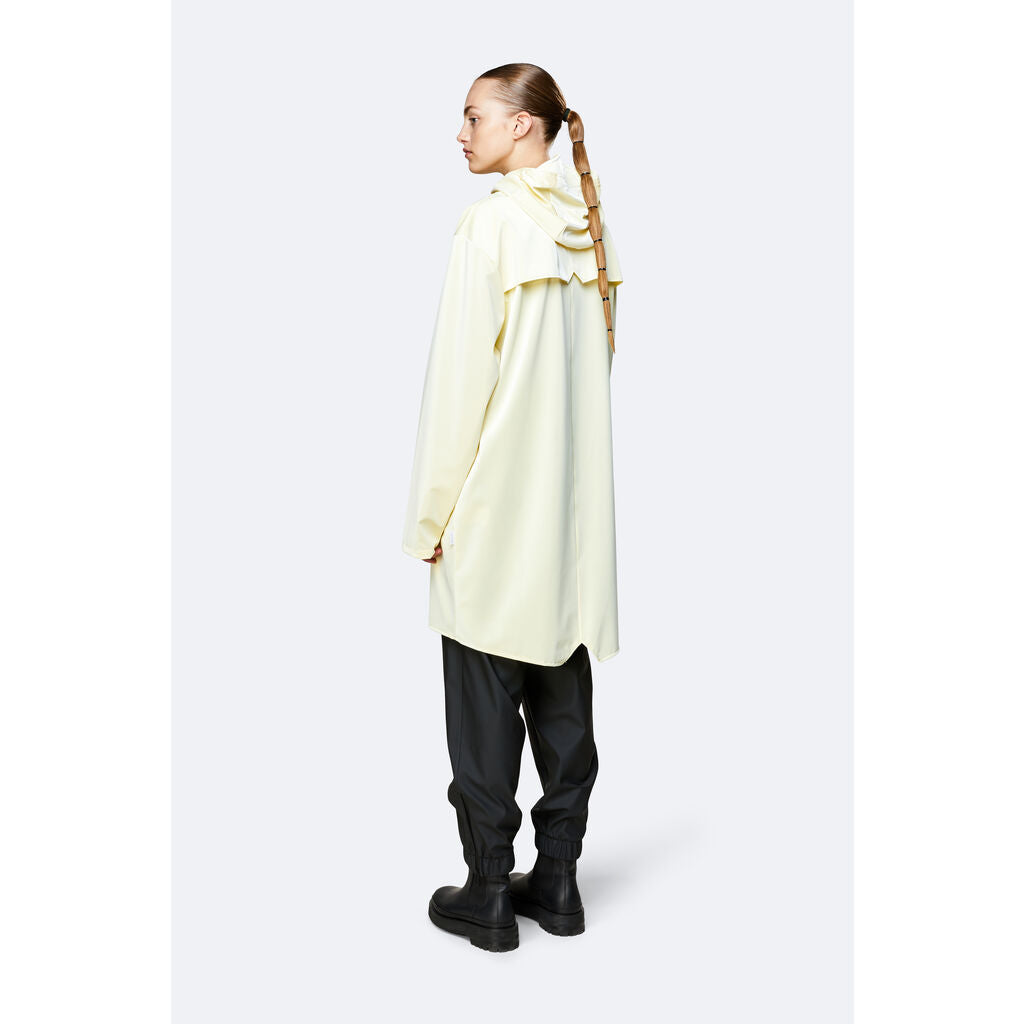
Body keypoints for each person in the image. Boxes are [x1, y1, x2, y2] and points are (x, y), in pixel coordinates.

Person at [401, 63, 624, 952]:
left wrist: (430, 519)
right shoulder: (588, 228)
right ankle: (559, 881)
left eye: (474, 117)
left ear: (524, 125)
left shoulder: (490, 226)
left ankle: (490, 891)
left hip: (495, 514)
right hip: (571, 522)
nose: (461, 135)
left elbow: (458, 389)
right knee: (563, 690)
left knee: (485, 701)